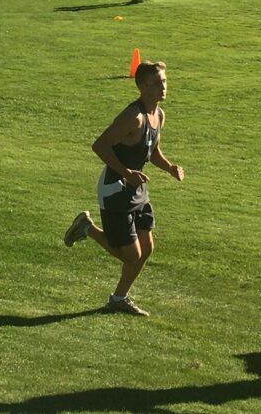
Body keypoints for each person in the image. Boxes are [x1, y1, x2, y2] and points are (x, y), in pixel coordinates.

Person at [63, 61, 184, 316]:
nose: (162, 87)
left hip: (135, 189)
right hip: (115, 189)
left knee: (146, 248)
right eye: (155, 83)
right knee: (130, 255)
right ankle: (86, 227)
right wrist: (126, 172)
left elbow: (151, 151)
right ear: (142, 87)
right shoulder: (133, 116)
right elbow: (100, 146)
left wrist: (170, 167)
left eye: (164, 81)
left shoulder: (158, 115)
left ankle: (119, 298)